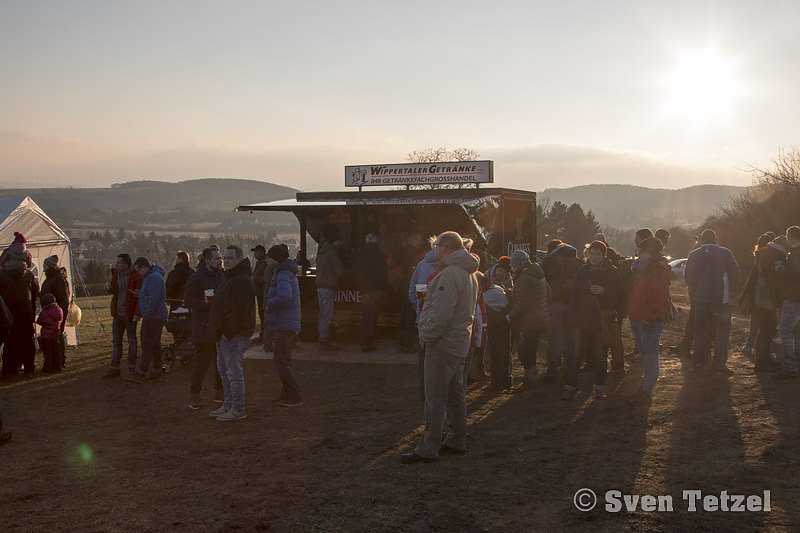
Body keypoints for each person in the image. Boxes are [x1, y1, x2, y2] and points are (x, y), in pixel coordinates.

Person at [402, 231, 478, 464]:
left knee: (435, 396)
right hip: (459, 342)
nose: (434, 248)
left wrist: (427, 335)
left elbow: (441, 313)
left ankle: (428, 446)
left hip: (443, 343)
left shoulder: (449, 275)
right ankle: (457, 439)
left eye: (436, 244)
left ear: (445, 246)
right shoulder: (468, 274)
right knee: (456, 394)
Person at [562, 241, 621, 401]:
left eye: (597, 254)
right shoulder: (583, 270)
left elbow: (618, 295)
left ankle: (600, 388)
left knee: (600, 356)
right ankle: (569, 387)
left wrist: (604, 291)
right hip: (582, 318)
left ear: (604, 255)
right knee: (576, 354)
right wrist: (572, 313)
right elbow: (574, 293)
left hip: (600, 321)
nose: (594, 257)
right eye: (591, 253)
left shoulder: (612, 272)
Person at [208, 245, 255, 420]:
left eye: (230, 258)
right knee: (224, 371)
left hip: (234, 334)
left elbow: (239, 311)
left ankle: (238, 408)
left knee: (233, 372)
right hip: (224, 333)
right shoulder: (229, 278)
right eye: (225, 257)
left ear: (239, 259)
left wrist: (229, 332)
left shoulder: (241, 280)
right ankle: (228, 404)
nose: (226, 260)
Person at [684, 229, 740, 373]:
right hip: (721, 298)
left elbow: (687, 277)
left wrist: (695, 289)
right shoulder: (725, 252)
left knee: (700, 332)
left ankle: (699, 362)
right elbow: (736, 272)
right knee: (723, 332)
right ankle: (720, 363)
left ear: (702, 239)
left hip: (700, 298)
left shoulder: (694, 254)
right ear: (715, 238)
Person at [627, 236, 672, 406]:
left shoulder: (657, 271)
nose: (638, 255)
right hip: (638, 318)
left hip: (649, 322)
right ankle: (645, 389)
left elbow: (659, 299)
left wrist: (650, 319)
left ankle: (646, 392)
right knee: (646, 357)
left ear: (650, 253)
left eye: (641, 252)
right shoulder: (642, 269)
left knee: (651, 358)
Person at [184, 247, 224, 409]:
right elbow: (188, 301)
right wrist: (206, 304)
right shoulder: (196, 278)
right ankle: (195, 395)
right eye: (216, 259)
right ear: (207, 261)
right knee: (202, 362)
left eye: (220, 258)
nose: (220, 261)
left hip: (219, 325)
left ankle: (219, 393)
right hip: (203, 326)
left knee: (220, 362)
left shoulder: (222, 276)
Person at [265, 244, 303, 407]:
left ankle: (294, 395)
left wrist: (269, 304)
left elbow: (285, 296)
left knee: (280, 361)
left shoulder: (282, 275)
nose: (266, 260)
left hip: (283, 324)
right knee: (286, 360)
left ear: (275, 259)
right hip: (288, 323)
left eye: (269, 257)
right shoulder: (287, 273)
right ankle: (287, 393)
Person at [739, 232, 782, 371]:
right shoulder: (766, 258)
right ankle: (761, 361)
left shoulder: (759, 257)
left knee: (761, 329)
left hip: (758, 299)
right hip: (764, 299)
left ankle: (762, 358)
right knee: (765, 330)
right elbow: (769, 281)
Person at [507, 250, 549, 389]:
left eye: (513, 266)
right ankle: (528, 383)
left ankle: (536, 385)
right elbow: (550, 292)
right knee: (530, 350)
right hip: (540, 318)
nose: (512, 269)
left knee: (525, 353)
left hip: (528, 321)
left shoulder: (524, 279)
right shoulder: (538, 272)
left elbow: (524, 303)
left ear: (519, 265)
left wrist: (510, 315)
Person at [124, 257, 167, 383]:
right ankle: (156, 368)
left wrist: (147, 314)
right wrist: (140, 294)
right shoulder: (150, 277)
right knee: (154, 343)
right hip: (153, 315)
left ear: (143, 267)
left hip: (154, 316)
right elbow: (150, 295)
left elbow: (154, 298)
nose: (138, 273)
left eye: (138, 270)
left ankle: (142, 370)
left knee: (147, 342)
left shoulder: (154, 278)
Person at [542, 241, 580, 381]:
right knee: (570, 339)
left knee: (554, 339)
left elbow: (542, 281)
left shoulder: (549, 261)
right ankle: (569, 368)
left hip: (553, 304)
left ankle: (553, 371)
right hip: (572, 305)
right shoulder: (578, 263)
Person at [103, 254, 142, 378]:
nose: (116, 265)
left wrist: (137, 313)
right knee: (116, 341)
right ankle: (114, 367)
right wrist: (109, 288)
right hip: (118, 313)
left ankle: (132, 367)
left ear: (126, 264)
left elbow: (138, 298)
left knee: (132, 341)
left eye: (119, 263)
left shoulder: (135, 277)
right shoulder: (116, 275)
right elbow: (115, 291)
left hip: (129, 313)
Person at [408, 237, 437, 397]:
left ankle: (424, 388)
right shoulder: (446, 266)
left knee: (424, 355)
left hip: (422, 317)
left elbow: (414, 291)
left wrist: (418, 308)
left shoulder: (421, 265)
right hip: (440, 318)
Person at [0, 259, 38, 377]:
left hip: (8, 312)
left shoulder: (3, 275)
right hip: (26, 312)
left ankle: (9, 369)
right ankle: (29, 367)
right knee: (28, 341)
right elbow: (34, 292)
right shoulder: (29, 275)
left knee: (10, 342)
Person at [356, 233, 388, 352]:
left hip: (365, 290)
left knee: (365, 315)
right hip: (377, 290)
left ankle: (364, 340)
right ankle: (369, 341)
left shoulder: (360, 256)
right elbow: (384, 274)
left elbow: (356, 272)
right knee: (373, 316)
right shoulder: (381, 256)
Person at [481, 272, 512, 390]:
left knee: (496, 354)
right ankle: (505, 380)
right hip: (505, 324)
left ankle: (496, 382)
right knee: (504, 354)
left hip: (497, 326)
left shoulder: (487, 296)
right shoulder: (498, 289)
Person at [315, 226, 344, 351]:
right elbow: (339, 271)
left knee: (322, 313)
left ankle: (321, 337)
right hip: (328, 286)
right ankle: (323, 340)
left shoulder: (322, 251)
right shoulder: (332, 252)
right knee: (327, 314)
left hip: (320, 286)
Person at [777, 226, 800, 379]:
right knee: (797, 332)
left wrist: (781, 270)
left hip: (793, 297)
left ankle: (790, 367)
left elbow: (795, 273)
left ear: (791, 236)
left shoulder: (795, 253)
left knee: (785, 330)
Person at [40, 255, 69, 368]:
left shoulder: (58, 279)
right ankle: (56, 361)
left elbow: (63, 299)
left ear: (50, 266)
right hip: (52, 313)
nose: (43, 269)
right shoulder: (52, 278)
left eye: (44, 266)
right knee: (55, 337)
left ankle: (59, 361)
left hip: (56, 314)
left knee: (57, 337)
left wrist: (60, 315)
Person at [36, 293, 63, 373]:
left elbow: (39, 321)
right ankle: (57, 367)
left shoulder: (44, 313)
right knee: (56, 352)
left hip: (46, 337)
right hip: (56, 334)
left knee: (48, 353)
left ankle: (48, 368)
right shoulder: (59, 310)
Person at [251, 244, 268, 343]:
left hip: (263, 292)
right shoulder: (260, 262)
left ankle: (265, 335)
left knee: (264, 314)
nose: (255, 254)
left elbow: (259, 277)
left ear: (262, 252)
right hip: (259, 292)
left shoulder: (264, 263)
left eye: (257, 252)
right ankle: (263, 334)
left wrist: (256, 280)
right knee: (262, 314)